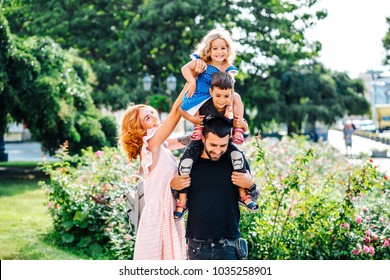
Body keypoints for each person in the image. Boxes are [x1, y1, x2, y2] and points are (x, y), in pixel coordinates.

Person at [119, 80, 200, 259]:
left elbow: (183, 140)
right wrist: (190, 82)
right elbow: (174, 114)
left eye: (153, 113)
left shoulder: (159, 145)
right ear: (139, 129)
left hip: (167, 213)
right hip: (158, 219)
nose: (156, 118)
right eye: (148, 118)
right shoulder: (150, 145)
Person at [170, 116, 259, 260]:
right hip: (197, 246)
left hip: (229, 246)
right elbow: (178, 196)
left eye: (223, 146)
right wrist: (173, 187)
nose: (218, 150)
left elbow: (253, 197)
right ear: (203, 139)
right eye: (213, 145)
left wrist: (251, 185)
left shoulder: (235, 160)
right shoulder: (190, 163)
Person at [174, 72, 258, 220]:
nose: (222, 100)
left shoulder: (233, 103)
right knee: (185, 164)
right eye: (218, 95)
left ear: (231, 93)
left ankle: (244, 196)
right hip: (199, 141)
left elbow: (241, 124)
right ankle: (182, 202)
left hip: (227, 142)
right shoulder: (205, 102)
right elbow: (180, 108)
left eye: (226, 96)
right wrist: (192, 119)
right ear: (211, 92)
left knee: (238, 158)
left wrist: (242, 126)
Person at [180, 28, 245, 144]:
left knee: (236, 96)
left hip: (217, 97)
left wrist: (229, 105)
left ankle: (238, 129)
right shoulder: (202, 62)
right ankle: (198, 127)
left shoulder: (228, 68)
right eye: (215, 48)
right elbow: (184, 69)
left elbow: (231, 88)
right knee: (189, 97)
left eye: (223, 48)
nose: (219, 52)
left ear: (228, 50)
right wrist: (192, 82)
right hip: (201, 94)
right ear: (208, 50)